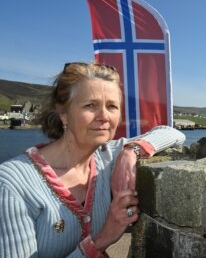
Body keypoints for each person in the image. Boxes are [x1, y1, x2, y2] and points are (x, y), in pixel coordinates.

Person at [0, 62, 185, 257]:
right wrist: (102, 239)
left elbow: (172, 133)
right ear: (63, 113)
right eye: (90, 105)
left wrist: (130, 152)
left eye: (112, 106)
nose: (104, 117)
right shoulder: (12, 184)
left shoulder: (108, 155)